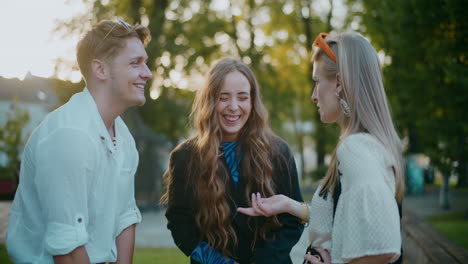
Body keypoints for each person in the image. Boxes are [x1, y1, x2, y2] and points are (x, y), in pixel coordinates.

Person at [238, 32, 404, 264]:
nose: (313, 96)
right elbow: (347, 218)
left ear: (338, 82)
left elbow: (381, 246)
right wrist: (290, 205)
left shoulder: (356, 149)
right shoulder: (365, 143)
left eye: (317, 82)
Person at [6, 17, 153, 263]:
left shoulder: (123, 137)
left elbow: (126, 217)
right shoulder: (70, 135)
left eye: (145, 63)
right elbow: (67, 246)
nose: (147, 73)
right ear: (101, 69)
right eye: (136, 63)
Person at [160, 58, 304, 264]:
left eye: (242, 97)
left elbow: (292, 220)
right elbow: (180, 225)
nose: (233, 107)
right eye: (223, 97)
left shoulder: (279, 152)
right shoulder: (184, 157)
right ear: (209, 100)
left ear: (253, 102)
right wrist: (219, 262)